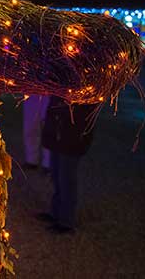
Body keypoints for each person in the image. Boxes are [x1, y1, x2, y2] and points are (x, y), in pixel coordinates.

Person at [38, 95, 97, 234]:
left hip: (72, 135)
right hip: (60, 132)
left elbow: (83, 116)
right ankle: (56, 212)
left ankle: (66, 221)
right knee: (57, 174)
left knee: (66, 177)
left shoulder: (84, 92)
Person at [22, 93, 51, 171]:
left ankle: (48, 163)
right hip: (31, 91)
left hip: (50, 91)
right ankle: (31, 160)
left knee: (48, 127)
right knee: (30, 126)